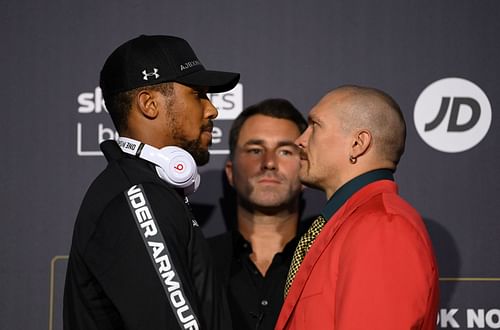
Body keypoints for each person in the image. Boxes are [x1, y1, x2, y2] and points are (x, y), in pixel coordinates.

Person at [63, 35, 239, 330]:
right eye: (198, 94)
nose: (212, 110)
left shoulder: (146, 189)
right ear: (149, 104)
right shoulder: (137, 195)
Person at [275, 85, 439, 330]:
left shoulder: (382, 227)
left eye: (315, 126)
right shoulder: (348, 223)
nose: (300, 140)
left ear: (358, 144)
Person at [209, 99, 309, 330]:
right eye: (255, 150)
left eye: (285, 151)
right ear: (231, 173)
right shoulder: (195, 261)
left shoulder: (328, 262)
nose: (269, 163)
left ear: (305, 171)